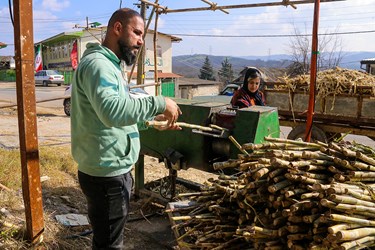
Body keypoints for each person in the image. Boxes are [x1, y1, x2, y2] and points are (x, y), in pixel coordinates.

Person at [70, 8, 181, 249]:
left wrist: (149, 121)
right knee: (110, 244)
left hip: (107, 169)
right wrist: (160, 102)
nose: (141, 41)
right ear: (117, 28)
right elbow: (112, 111)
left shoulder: (110, 64)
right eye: (137, 33)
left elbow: (111, 111)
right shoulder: (99, 65)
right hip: (106, 175)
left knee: (107, 239)